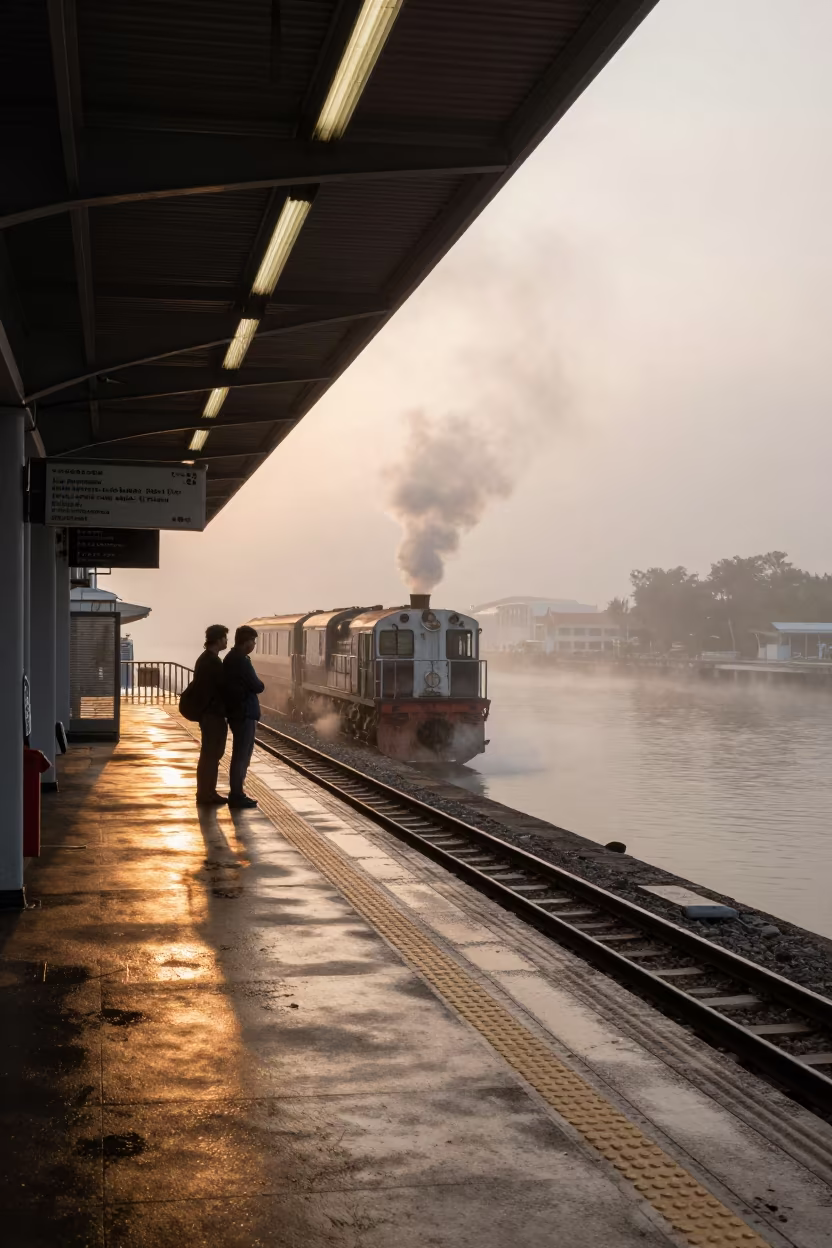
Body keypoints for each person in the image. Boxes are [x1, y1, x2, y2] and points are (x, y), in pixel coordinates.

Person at [223, 624, 265, 809]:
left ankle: (237, 792)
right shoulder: (240, 660)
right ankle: (237, 794)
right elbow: (257, 686)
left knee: (241, 754)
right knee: (242, 755)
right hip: (243, 713)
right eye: (252, 641)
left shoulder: (232, 658)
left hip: (239, 712)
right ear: (245, 642)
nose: (254, 644)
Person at [193, 624, 229, 806]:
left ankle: (205, 791)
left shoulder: (204, 659)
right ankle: (207, 793)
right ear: (219, 639)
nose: (227, 641)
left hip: (207, 713)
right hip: (213, 714)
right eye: (225, 638)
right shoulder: (213, 662)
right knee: (212, 754)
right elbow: (220, 689)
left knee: (208, 754)